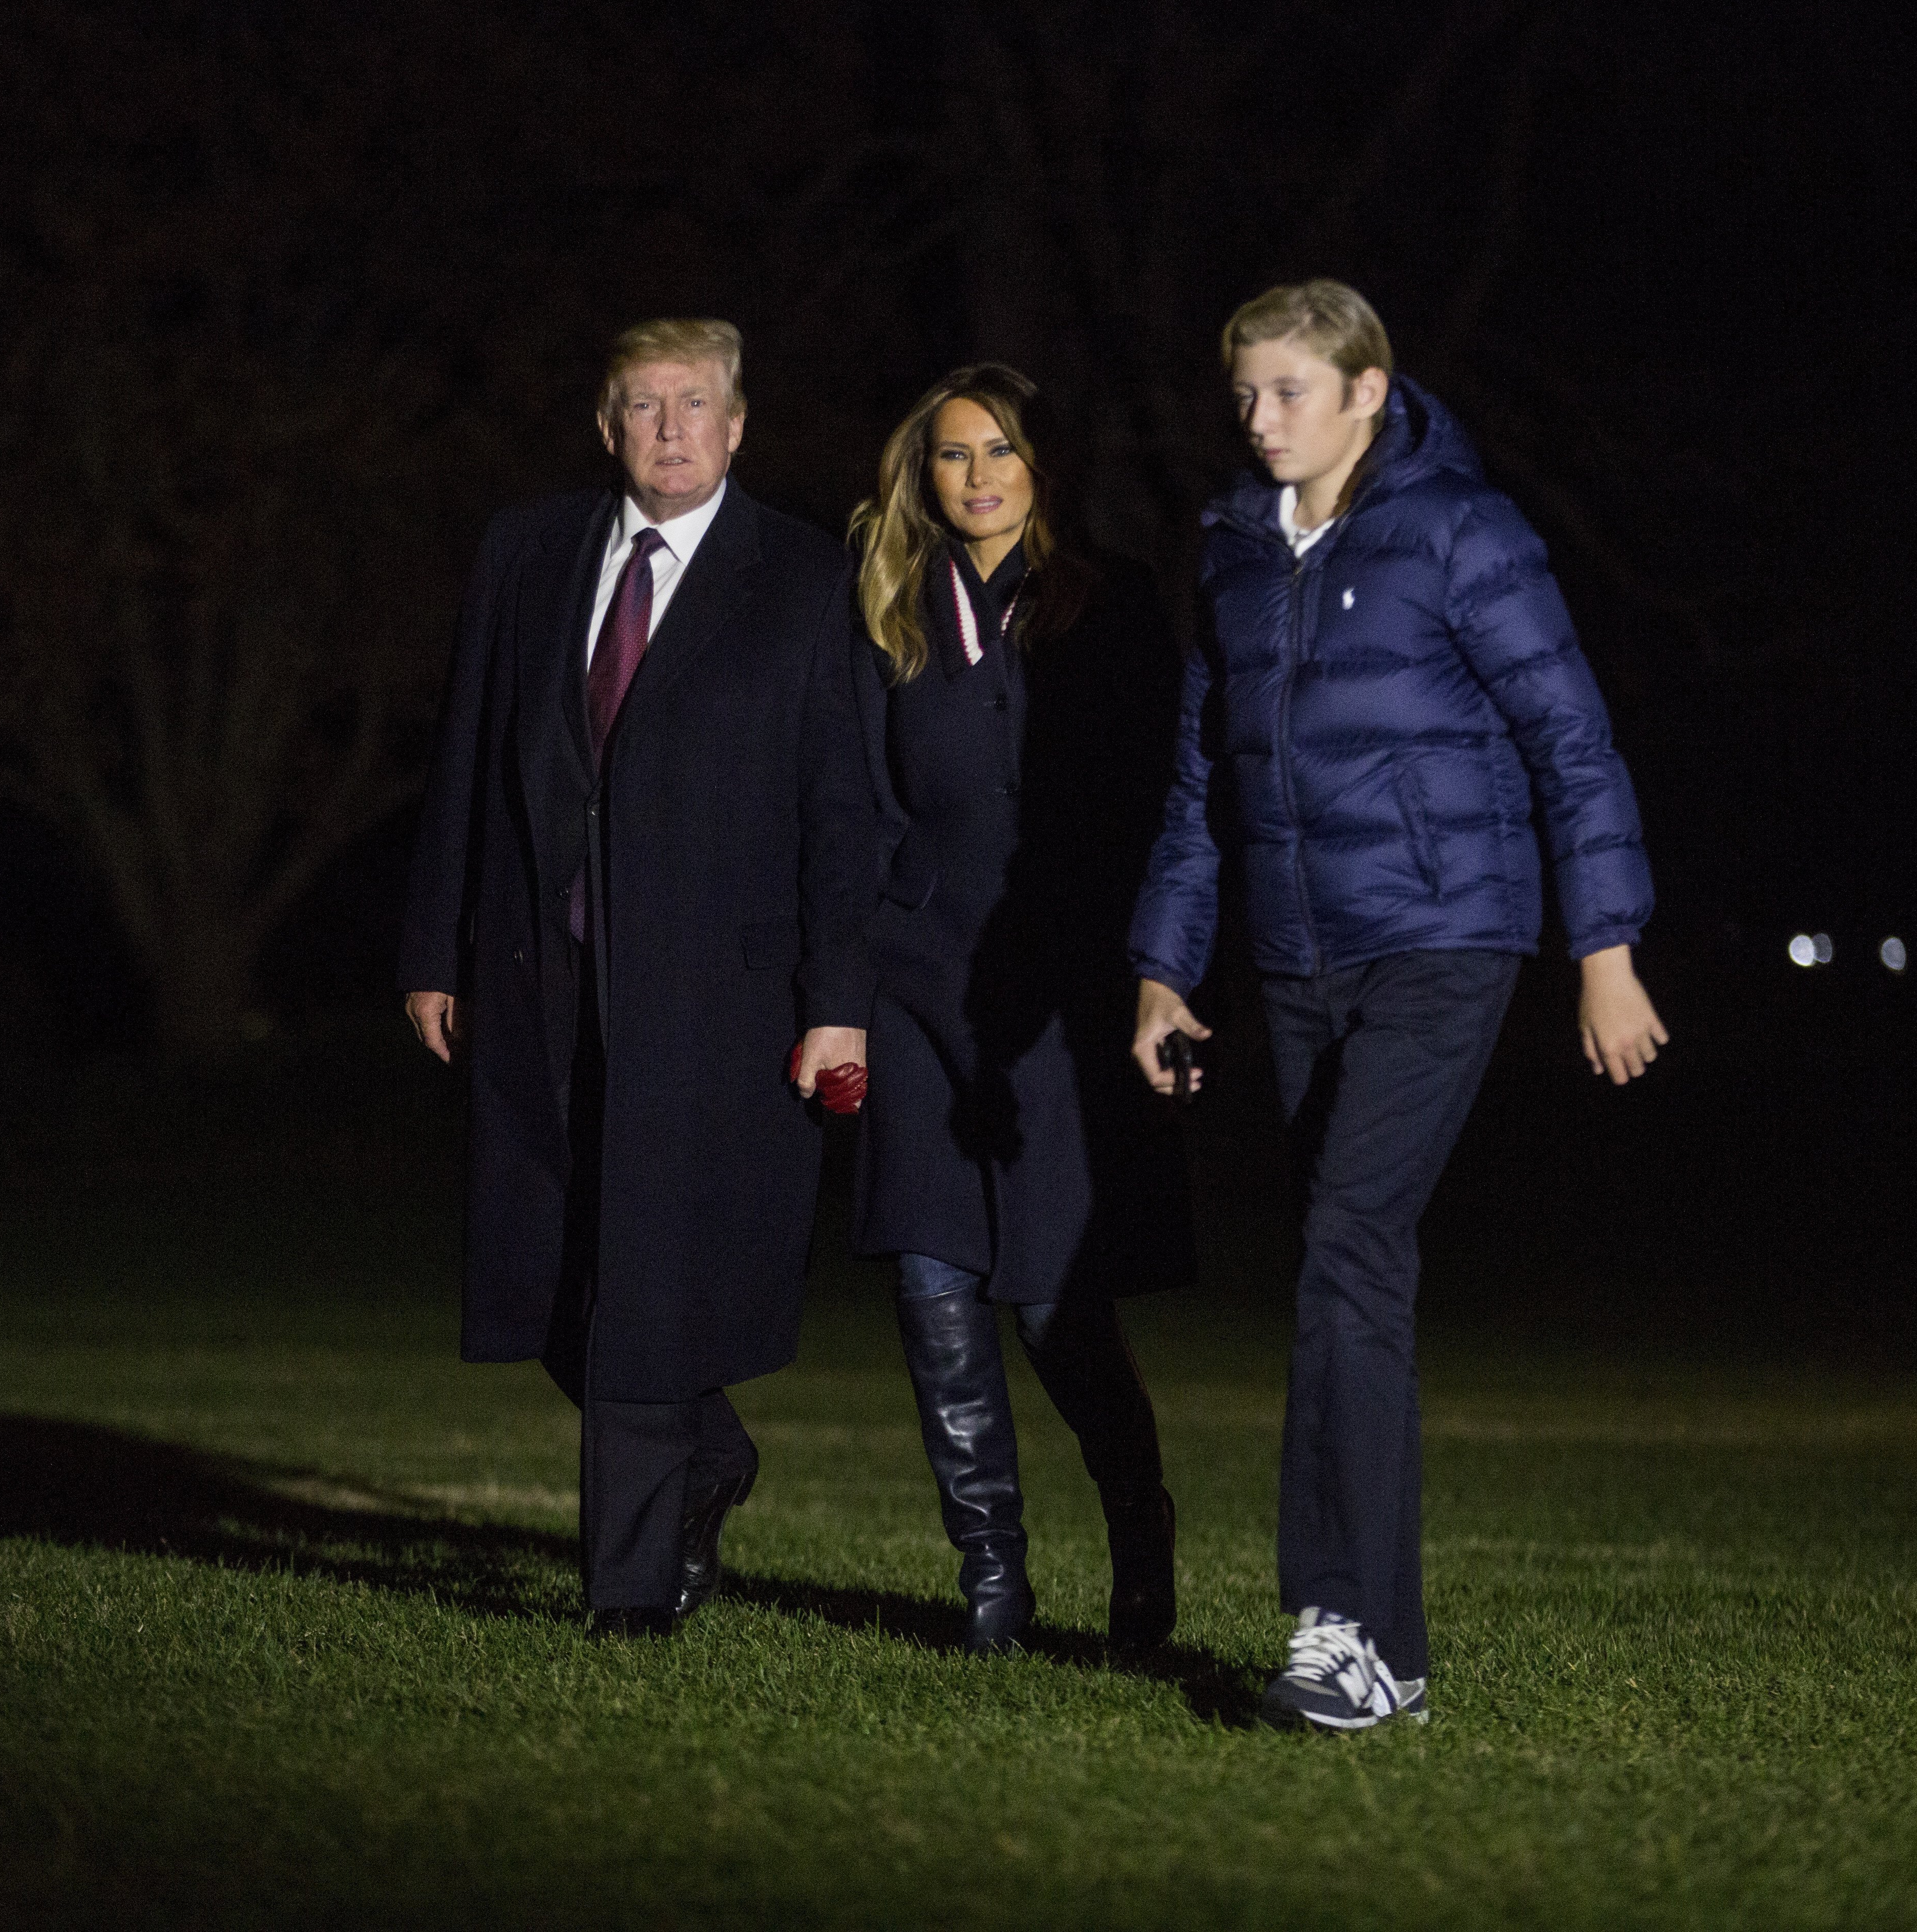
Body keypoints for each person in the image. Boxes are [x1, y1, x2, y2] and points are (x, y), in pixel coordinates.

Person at [1127, 280, 1667, 1730]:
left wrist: (1603, 945)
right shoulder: (1235, 554)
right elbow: (1204, 787)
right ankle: (1395, 1656)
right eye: (1243, 396)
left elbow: (1573, 738)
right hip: (1296, 962)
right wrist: (1162, 969)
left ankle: (1336, 1625)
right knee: (1353, 1277)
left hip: (1446, 941)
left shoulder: (1460, 532)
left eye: (1289, 393)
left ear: (1370, 391)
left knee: (1344, 1251)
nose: (1259, 421)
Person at [398, 318, 874, 1639]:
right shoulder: (528, 552)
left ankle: (629, 1589)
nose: (670, 429)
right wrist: (434, 945)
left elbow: (842, 810)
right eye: (643, 406)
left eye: (695, 405)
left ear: (736, 428)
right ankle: (707, 1457)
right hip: (539, 977)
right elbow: (468, 757)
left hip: (716, 997)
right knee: (546, 1270)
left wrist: (837, 999)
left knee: (647, 1277)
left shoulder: (803, 577)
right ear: (606, 427)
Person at [848, 365, 1193, 1655]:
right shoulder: (887, 610)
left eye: (1001, 451)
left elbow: (1161, 804)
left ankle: (1140, 1545)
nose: (978, 475)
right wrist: (868, 950)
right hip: (915, 986)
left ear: (1042, 466)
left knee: (1055, 1302)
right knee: (934, 1285)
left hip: (1055, 990)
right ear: (922, 473)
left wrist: (1155, 966)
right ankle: (991, 1582)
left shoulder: (1111, 608)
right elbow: (860, 806)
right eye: (952, 454)